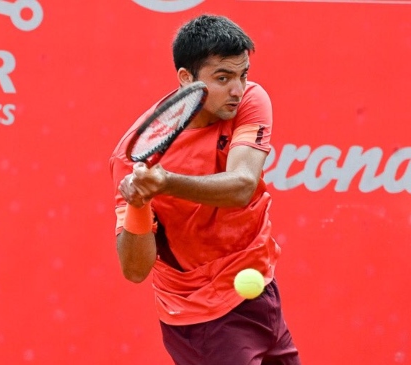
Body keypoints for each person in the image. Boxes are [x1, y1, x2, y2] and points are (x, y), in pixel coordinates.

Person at [109, 14, 301, 365]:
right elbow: (135, 270)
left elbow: (242, 185)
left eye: (243, 75)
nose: (237, 89)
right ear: (187, 80)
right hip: (203, 316)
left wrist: (166, 182)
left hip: (260, 290)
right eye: (223, 78)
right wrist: (140, 202)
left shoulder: (248, 100)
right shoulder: (131, 156)